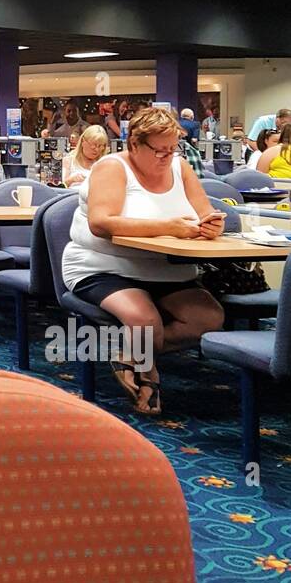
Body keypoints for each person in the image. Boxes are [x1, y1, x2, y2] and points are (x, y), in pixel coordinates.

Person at [61, 106, 225, 417]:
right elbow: (101, 223)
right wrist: (170, 227)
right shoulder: (111, 167)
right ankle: (147, 369)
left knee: (208, 319)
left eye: (172, 148)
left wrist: (210, 225)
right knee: (146, 322)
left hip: (166, 269)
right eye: (159, 150)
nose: (167, 156)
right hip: (102, 266)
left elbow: (205, 213)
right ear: (134, 145)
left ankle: (128, 352)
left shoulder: (180, 168)